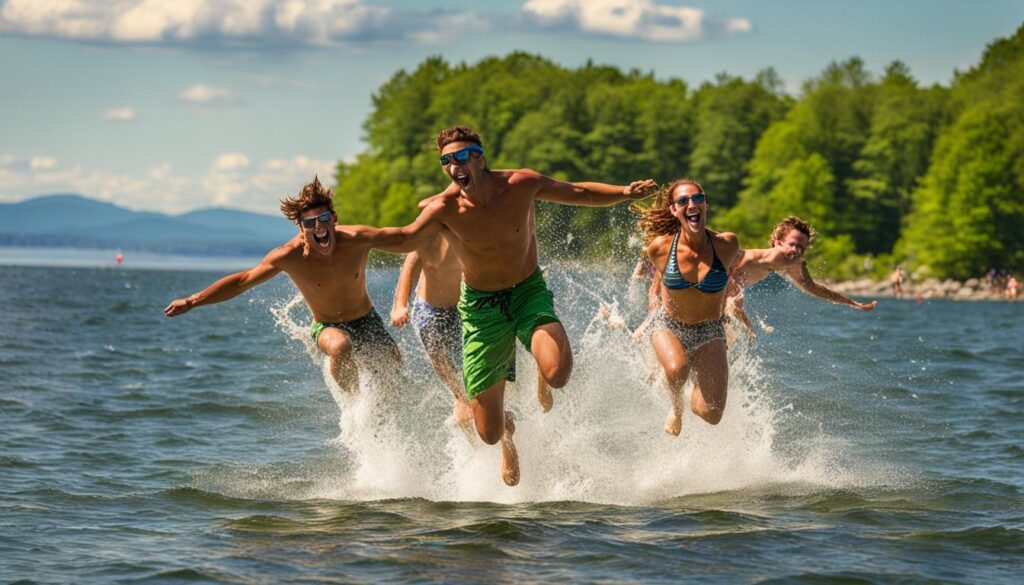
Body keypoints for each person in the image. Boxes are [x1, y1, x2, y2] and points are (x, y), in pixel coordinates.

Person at [403, 126, 656, 486]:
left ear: (480, 157)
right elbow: (402, 239)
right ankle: (508, 433)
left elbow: (580, 193)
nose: (453, 165)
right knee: (488, 433)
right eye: (446, 160)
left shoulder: (520, 185)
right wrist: (346, 241)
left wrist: (624, 192)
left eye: (461, 156)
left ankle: (540, 356)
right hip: (480, 308)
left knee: (558, 373)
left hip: (526, 291)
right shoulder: (447, 207)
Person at [165, 177, 429, 392]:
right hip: (327, 327)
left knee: (394, 373)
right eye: (310, 223)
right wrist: (192, 300)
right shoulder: (288, 256)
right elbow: (243, 281)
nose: (319, 228)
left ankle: (381, 419)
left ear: (334, 219)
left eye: (324, 219)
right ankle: (355, 404)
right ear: (301, 228)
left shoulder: (357, 239)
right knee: (341, 346)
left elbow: (406, 237)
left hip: (366, 320)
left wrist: (442, 219)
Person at [631, 178, 741, 436]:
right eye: (682, 201)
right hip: (669, 326)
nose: (691, 204)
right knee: (677, 369)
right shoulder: (659, 248)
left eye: (698, 198)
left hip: (710, 331)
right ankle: (675, 406)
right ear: (674, 210)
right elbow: (656, 289)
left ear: (706, 204)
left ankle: (693, 373)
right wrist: (648, 320)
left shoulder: (727, 245)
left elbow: (738, 275)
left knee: (711, 414)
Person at [726, 216, 877, 338]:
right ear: (777, 243)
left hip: (725, 298)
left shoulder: (794, 265)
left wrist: (852, 303)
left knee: (734, 335)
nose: (796, 251)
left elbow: (814, 288)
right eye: (792, 244)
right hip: (711, 290)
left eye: (801, 248)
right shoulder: (744, 257)